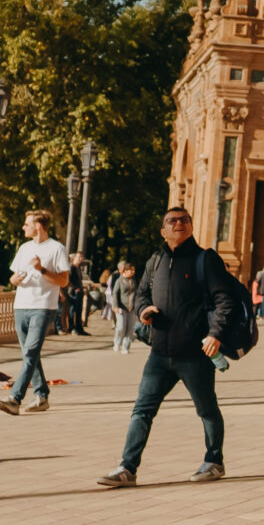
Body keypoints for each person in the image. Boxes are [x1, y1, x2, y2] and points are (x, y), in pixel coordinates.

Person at [96, 207, 242, 489]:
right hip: (159, 354)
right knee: (142, 410)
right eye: (172, 221)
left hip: (196, 355)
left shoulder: (205, 259)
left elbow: (225, 300)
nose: (179, 224)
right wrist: (143, 310)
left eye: (184, 220)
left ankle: (214, 461)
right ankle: (127, 468)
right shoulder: (156, 260)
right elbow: (141, 294)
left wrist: (215, 334)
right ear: (163, 230)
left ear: (191, 226)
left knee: (207, 410)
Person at [0, 209, 69, 415]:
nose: (23, 227)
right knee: (30, 354)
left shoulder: (56, 248)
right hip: (21, 306)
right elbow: (12, 278)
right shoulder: (24, 248)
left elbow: (64, 280)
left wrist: (42, 269)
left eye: (27, 224)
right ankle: (41, 396)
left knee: (30, 353)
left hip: (43, 306)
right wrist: (14, 280)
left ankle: (15, 398)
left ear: (37, 226)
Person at [109, 260, 138, 353]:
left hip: (132, 309)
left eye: (134, 270)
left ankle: (125, 348)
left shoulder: (134, 281)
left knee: (130, 329)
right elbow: (115, 293)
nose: (133, 272)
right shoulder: (119, 280)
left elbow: (136, 294)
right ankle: (117, 343)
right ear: (125, 270)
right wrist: (115, 306)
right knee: (121, 327)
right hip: (121, 308)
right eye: (131, 270)